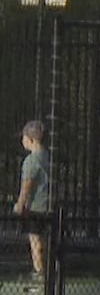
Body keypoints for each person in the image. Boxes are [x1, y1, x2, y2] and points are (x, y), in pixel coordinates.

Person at [13, 120, 51, 280]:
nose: (22, 140)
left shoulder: (31, 160)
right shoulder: (48, 157)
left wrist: (20, 204)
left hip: (35, 208)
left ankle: (39, 272)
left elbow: (27, 185)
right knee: (46, 241)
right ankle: (47, 272)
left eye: (24, 137)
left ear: (31, 139)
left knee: (35, 240)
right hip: (48, 206)